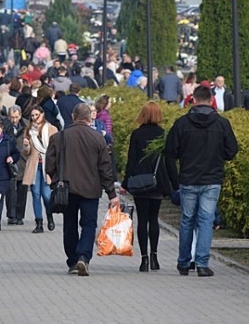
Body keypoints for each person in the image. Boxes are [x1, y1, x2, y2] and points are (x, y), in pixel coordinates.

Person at [164, 85, 238, 277]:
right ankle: (202, 263)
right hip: (212, 179)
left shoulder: (181, 123)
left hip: (188, 178)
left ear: (193, 100)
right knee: (206, 220)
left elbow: (170, 152)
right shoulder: (222, 123)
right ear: (212, 100)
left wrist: (178, 174)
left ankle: (183, 262)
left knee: (187, 220)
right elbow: (232, 151)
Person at [45, 103, 118, 276]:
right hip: (91, 189)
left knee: (69, 226)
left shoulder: (59, 137)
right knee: (88, 224)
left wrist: (56, 181)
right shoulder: (98, 138)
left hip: (67, 189)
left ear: (73, 116)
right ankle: (83, 257)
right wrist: (111, 194)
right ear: (89, 118)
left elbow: (50, 165)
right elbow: (105, 168)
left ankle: (72, 261)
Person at [120, 101, 174, 272]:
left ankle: (143, 260)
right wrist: (174, 183)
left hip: (139, 181)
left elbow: (131, 159)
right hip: (157, 181)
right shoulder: (162, 134)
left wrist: (126, 182)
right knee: (154, 218)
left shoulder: (137, 134)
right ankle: (155, 257)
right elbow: (168, 160)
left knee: (142, 220)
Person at [22, 105, 58, 233]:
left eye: (37, 115)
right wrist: (26, 146)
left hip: (47, 166)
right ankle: (39, 223)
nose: (34, 118)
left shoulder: (52, 129)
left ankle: (49, 215)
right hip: (34, 165)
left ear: (42, 114)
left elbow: (56, 149)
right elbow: (26, 152)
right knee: (36, 195)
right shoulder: (28, 130)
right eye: (32, 116)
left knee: (46, 195)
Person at [7, 106, 28, 225]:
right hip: (10, 160)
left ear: (20, 116)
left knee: (22, 190)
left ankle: (20, 216)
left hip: (23, 160)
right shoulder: (5, 125)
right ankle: (11, 215)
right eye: (12, 117)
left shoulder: (27, 125)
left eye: (16, 117)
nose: (14, 120)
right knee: (10, 190)